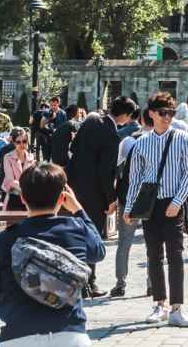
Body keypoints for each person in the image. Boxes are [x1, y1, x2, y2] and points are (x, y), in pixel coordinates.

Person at [0, 163, 104, 347]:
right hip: (70, 336)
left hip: (18, 337)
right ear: (62, 198)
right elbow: (98, 250)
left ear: (22, 198)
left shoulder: (1, 242)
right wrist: (78, 210)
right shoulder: (77, 230)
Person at [123, 92, 188, 328]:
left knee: (175, 254)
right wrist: (129, 208)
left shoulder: (183, 138)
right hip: (150, 205)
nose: (167, 118)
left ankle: (177, 307)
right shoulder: (141, 143)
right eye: (163, 113)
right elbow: (134, 179)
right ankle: (159, 302)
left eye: (171, 113)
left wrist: (178, 201)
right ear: (152, 114)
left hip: (173, 201)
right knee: (153, 254)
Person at [67, 96, 138, 296]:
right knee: (91, 236)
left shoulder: (89, 122)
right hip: (95, 194)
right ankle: (88, 283)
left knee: (77, 235)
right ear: (124, 115)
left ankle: (76, 281)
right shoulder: (111, 134)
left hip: (75, 189)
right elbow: (105, 172)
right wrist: (111, 199)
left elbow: (72, 150)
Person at [108, 104, 151, 298]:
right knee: (153, 243)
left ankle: (120, 283)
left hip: (128, 196)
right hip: (152, 197)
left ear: (141, 120)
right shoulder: (162, 141)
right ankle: (152, 283)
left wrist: (113, 195)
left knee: (124, 242)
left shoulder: (128, 141)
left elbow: (117, 169)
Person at [2, 128, 37, 210]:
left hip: (28, 196)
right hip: (13, 195)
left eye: (24, 141)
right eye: (18, 142)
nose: (22, 144)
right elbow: (10, 180)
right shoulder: (7, 157)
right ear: (14, 143)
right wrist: (25, 190)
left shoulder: (31, 157)